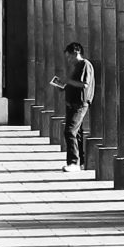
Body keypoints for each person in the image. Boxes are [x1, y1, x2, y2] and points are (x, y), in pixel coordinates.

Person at [50, 41, 95, 170]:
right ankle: (81, 162)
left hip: (80, 103)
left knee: (70, 131)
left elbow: (84, 84)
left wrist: (67, 81)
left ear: (76, 52)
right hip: (73, 103)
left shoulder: (85, 64)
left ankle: (73, 162)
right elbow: (75, 83)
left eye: (69, 56)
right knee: (77, 134)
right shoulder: (76, 66)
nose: (68, 60)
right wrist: (64, 86)